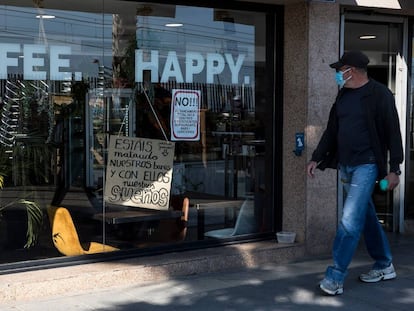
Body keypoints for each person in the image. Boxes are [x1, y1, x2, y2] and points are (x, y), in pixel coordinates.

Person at [306, 50, 403, 296]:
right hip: (347, 164)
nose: (338, 74)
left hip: (367, 164)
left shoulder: (379, 94)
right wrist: (317, 158)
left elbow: (393, 132)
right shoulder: (343, 96)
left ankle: (335, 277)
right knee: (366, 215)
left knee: (349, 221)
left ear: (353, 70)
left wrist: (394, 169)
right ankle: (384, 264)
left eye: (341, 70)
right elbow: (331, 130)